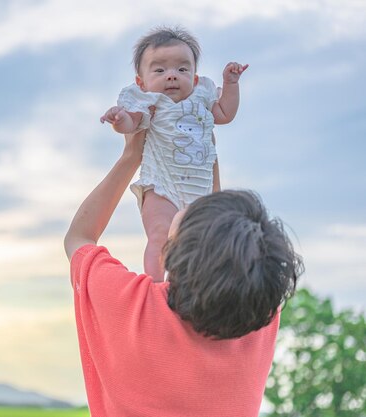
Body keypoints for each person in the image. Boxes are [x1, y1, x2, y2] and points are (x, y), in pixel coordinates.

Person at [63, 130, 303, 417]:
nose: (185, 205)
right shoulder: (260, 320)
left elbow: (79, 237)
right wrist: (207, 160)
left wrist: (131, 157)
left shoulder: (131, 305)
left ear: (168, 255)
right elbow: (229, 259)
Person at [100, 26, 248, 280]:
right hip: (162, 185)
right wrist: (119, 118)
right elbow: (132, 124)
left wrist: (230, 84)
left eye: (182, 69)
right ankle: (157, 286)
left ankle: (184, 288)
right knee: (160, 234)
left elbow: (225, 114)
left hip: (200, 190)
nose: (171, 76)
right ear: (141, 82)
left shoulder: (202, 96)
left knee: (198, 245)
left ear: (196, 77)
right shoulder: (148, 101)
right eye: (159, 70)